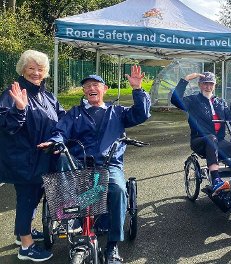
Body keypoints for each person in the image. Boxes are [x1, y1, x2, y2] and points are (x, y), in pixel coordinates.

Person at [38, 65, 151, 264]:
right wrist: (55, 142)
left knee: (117, 190)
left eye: (95, 85)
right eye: (87, 86)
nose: (91, 88)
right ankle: (73, 216)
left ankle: (113, 246)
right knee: (63, 160)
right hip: (81, 163)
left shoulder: (117, 112)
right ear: (84, 91)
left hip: (109, 164)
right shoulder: (75, 113)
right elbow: (61, 132)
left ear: (104, 89)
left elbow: (141, 114)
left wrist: (137, 90)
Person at [0, 50, 66, 262]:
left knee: (34, 198)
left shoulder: (47, 96)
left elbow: (62, 117)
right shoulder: (13, 92)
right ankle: (26, 247)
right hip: (23, 159)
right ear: (23, 69)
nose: (36, 72)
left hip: (43, 157)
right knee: (27, 198)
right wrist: (19, 109)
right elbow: (6, 126)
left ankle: (22, 233)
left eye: (40, 69)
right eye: (31, 68)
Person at [170, 72, 231, 204]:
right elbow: (175, 100)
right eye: (205, 83)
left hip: (218, 141)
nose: (208, 86)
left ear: (214, 85)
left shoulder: (220, 102)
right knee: (211, 138)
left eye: (210, 84)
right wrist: (186, 79)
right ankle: (216, 180)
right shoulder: (192, 100)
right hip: (199, 140)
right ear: (200, 85)